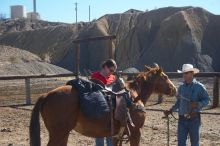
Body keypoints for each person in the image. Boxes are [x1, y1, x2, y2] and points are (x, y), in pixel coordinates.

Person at [164, 64, 210, 146]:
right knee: (181, 143)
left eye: (185, 73)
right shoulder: (181, 87)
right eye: (183, 73)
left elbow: (207, 100)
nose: (183, 75)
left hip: (194, 119)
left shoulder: (199, 87)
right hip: (182, 119)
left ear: (191, 73)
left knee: (195, 143)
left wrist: (198, 104)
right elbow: (178, 102)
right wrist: (171, 110)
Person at [91, 59, 117, 146]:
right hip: (99, 111)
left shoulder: (113, 78)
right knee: (100, 135)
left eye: (113, 71)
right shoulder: (95, 76)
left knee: (110, 134)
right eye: (111, 70)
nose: (112, 73)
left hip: (111, 112)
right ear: (105, 67)